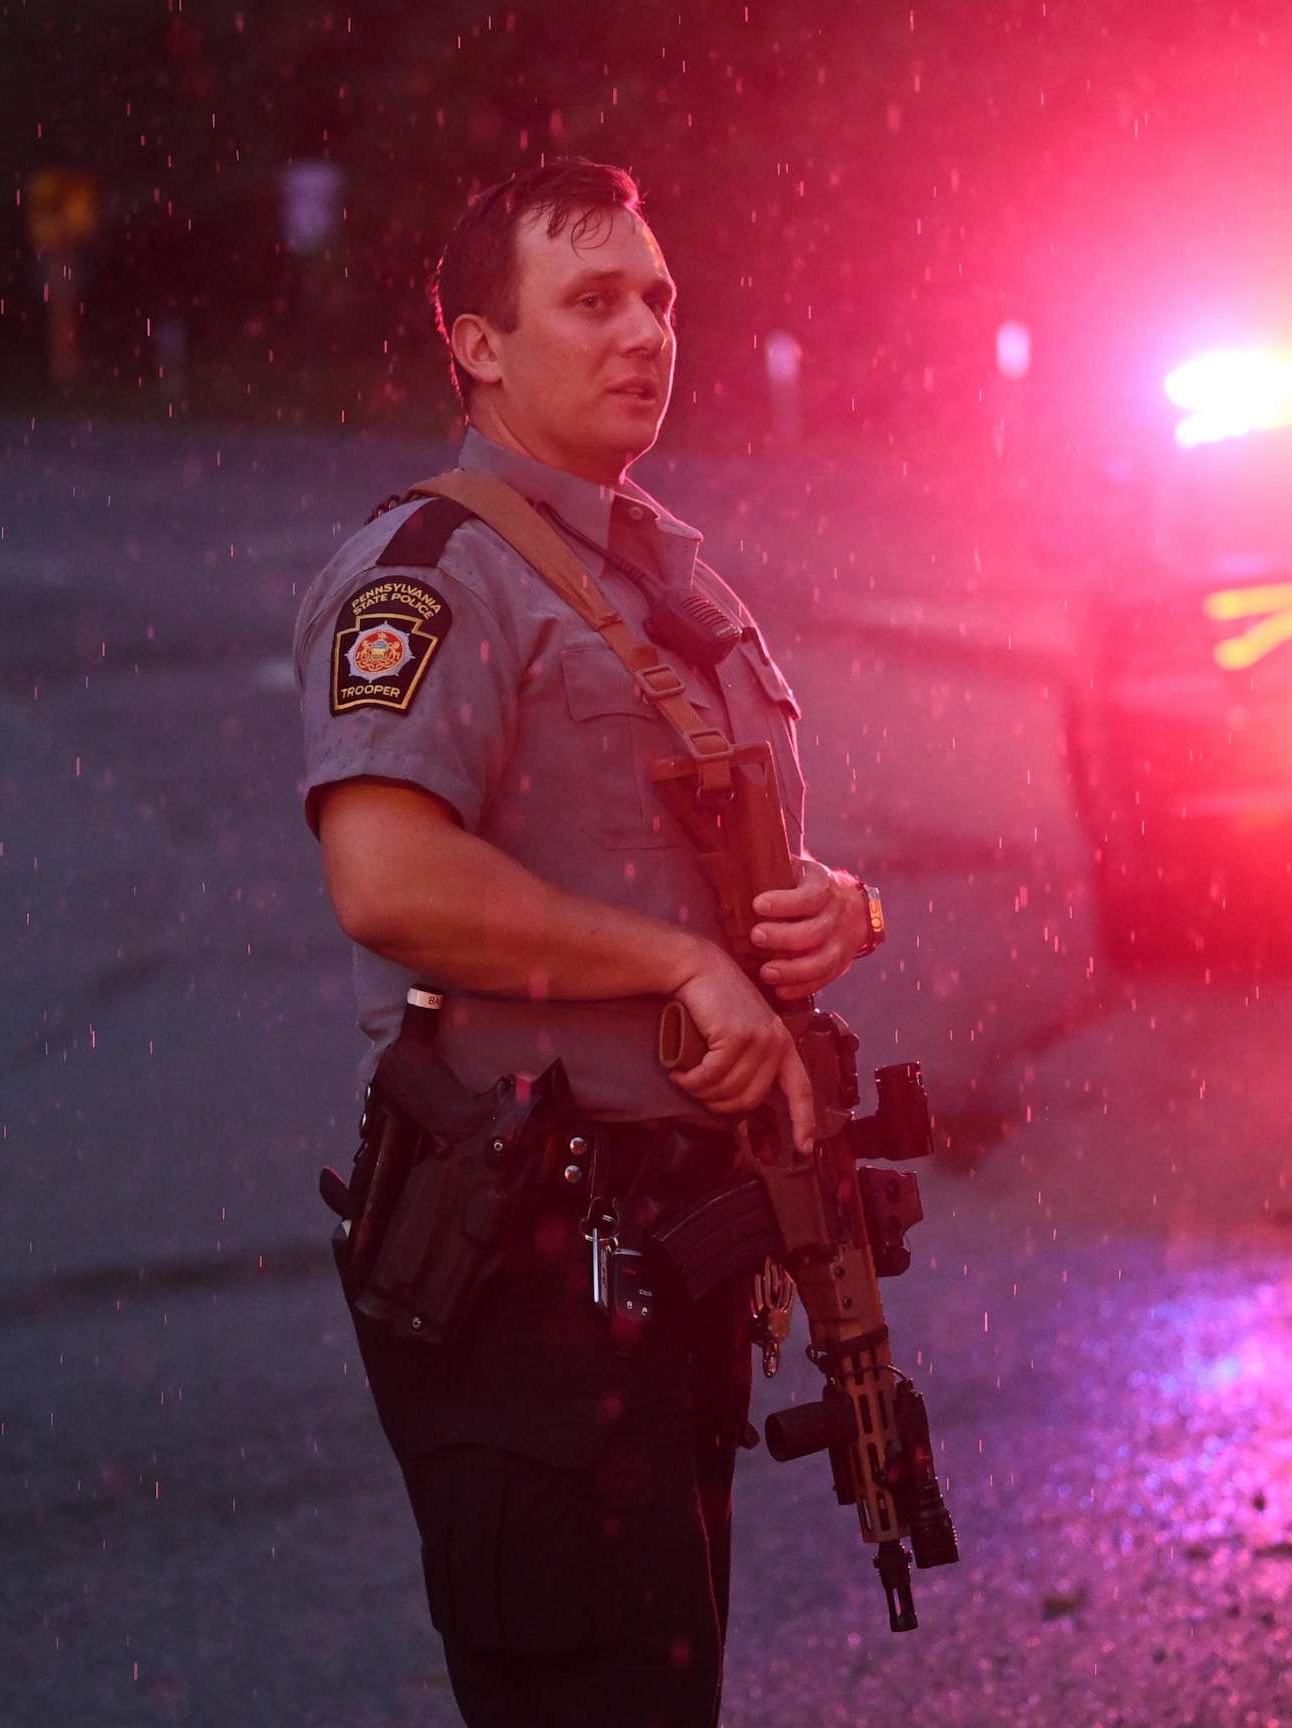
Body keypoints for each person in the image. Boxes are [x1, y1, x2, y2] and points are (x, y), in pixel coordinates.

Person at [292, 159, 888, 1726]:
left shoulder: (660, 573)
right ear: (480, 345)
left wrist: (831, 906)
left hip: (667, 1255)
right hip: (527, 1273)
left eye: (661, 299)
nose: (645, 333)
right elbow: (386, 874)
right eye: (594, 300)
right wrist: (678, 969)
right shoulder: (429, 577)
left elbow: (688, 856)